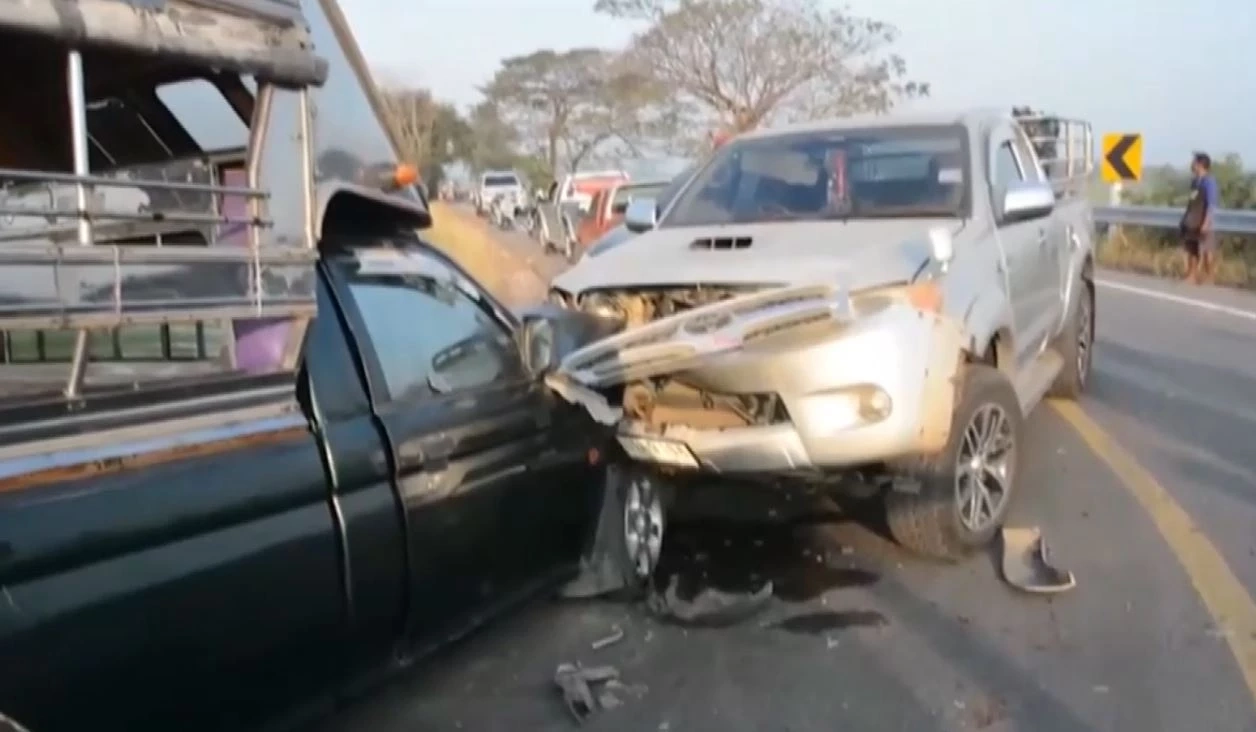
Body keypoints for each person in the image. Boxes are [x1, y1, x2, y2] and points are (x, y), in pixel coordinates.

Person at [1180, 151, 1220, 284]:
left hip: (1203, 220)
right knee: (1192, 248)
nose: (1192, 165)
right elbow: (1191, 202)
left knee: (1207, 250)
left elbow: (1211, 204)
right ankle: (1192, 275)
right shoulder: (1195, 182)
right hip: (1192, 220)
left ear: (1200, 165)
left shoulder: (1209, 182)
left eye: (1194, 162)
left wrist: (1206, 222)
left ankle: (1210, 276)